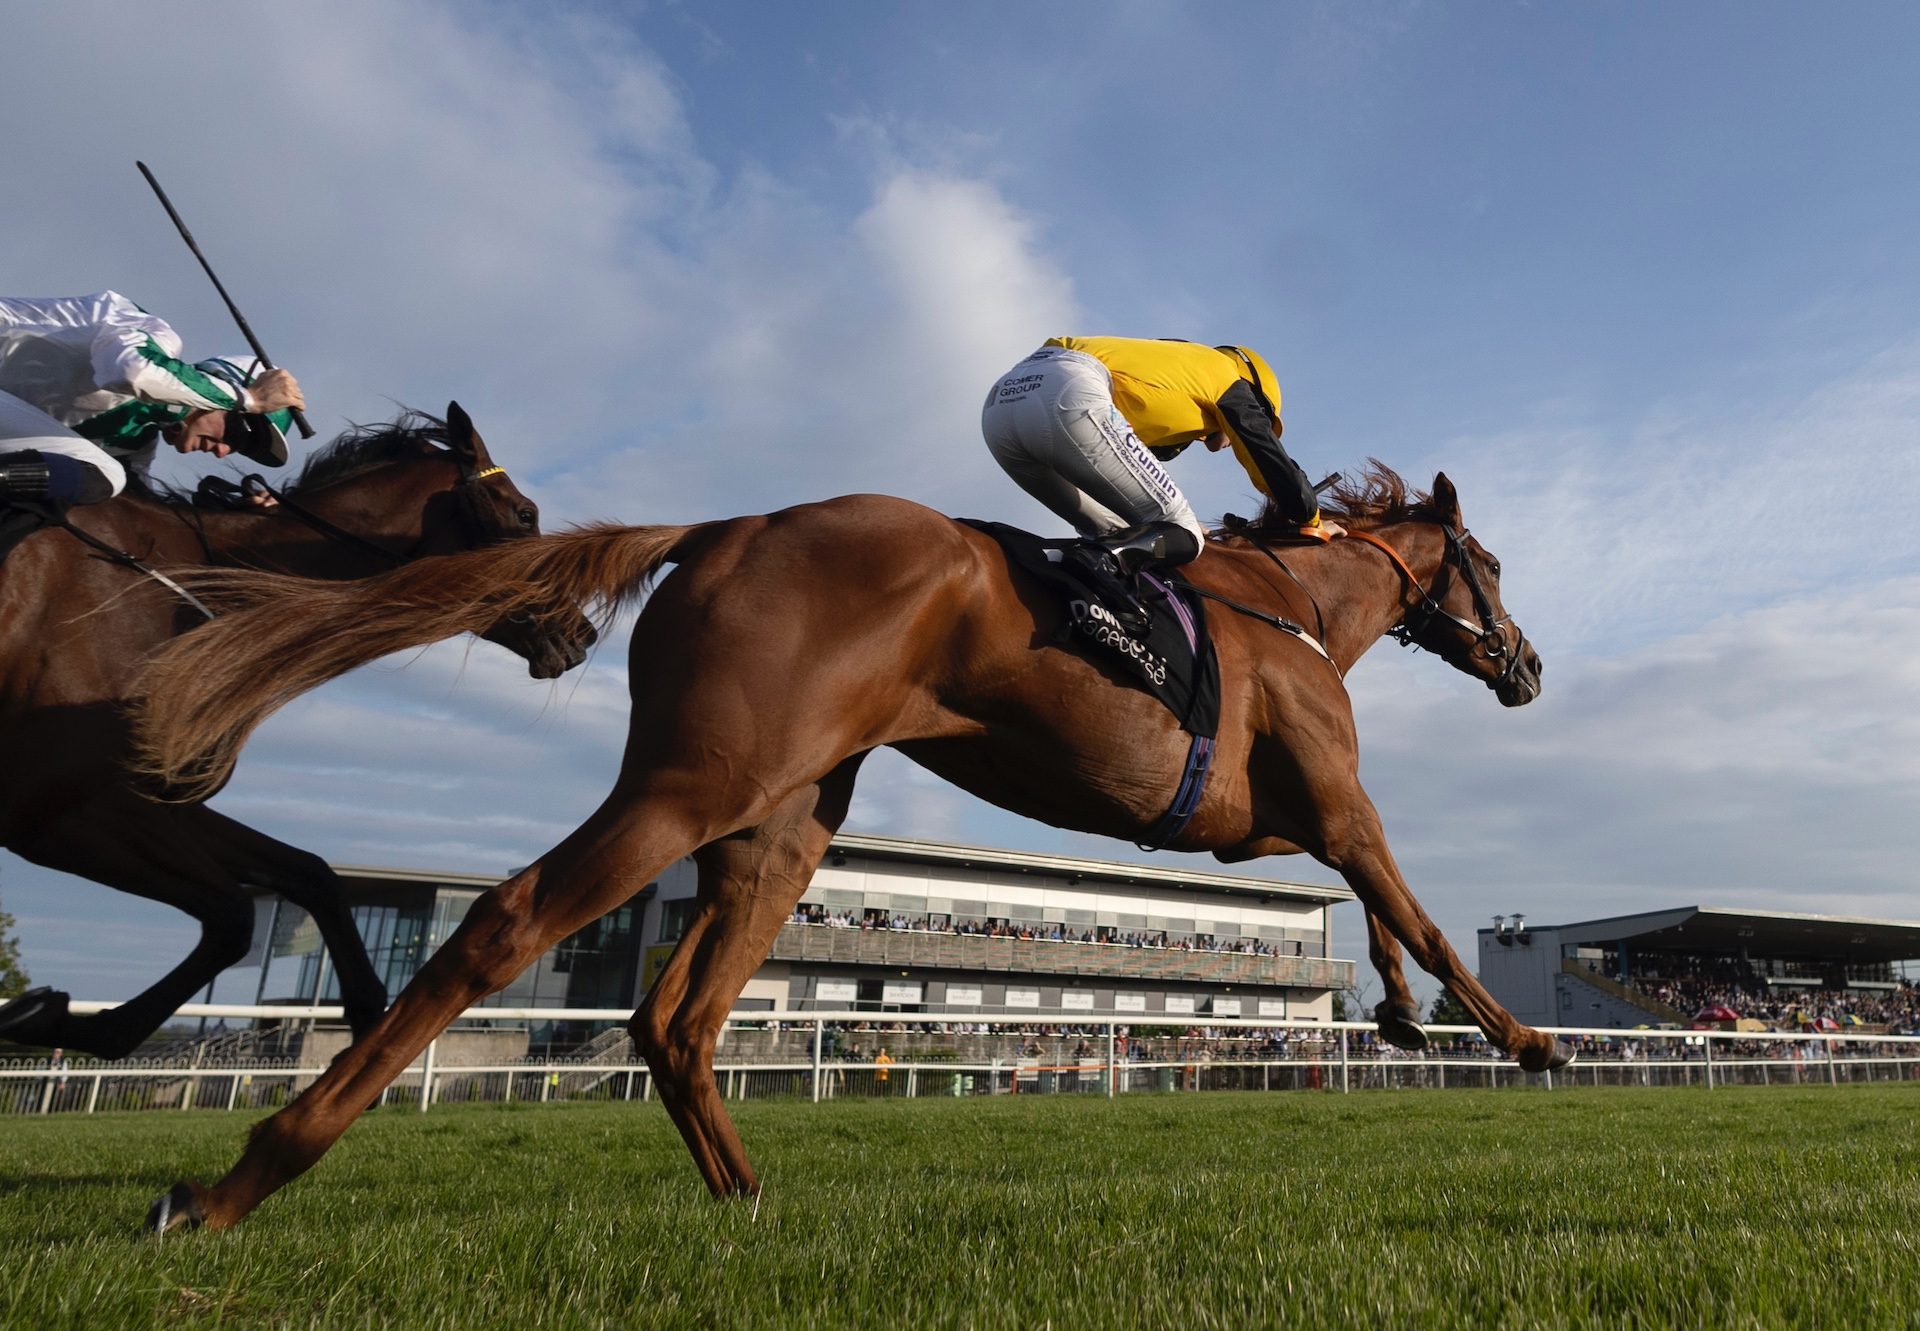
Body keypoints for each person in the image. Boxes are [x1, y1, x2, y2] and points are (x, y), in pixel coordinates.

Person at [982, 335, 1339, 629]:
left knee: (1112, 532)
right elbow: (1266, 455)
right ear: (1258, 395)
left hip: (1000, 408)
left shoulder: (1178, 367)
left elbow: (1130, 462)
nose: (1215, 447)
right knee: (1181, 529)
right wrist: (1311, 519)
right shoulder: (1229, 378)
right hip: (1067, 390)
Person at [0, 291, 303, 509]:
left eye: (239, 449)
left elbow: (137, 518)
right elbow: (133, 373)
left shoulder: (135, 445)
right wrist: (248, 399)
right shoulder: (153, 333)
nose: (224, 452)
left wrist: (243, 519)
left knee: (106, 487)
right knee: (108, 474)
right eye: (239, 435)